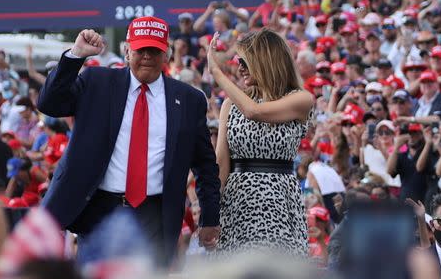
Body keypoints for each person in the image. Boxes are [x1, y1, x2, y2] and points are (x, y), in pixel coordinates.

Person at [37, 17, 221, 265]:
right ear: (127, 51)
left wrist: (210, 218)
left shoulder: (189, 100)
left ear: (165, 53)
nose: (147, 56)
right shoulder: (96, 82)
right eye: (141, 49)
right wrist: (75, 55)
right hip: (99, 211)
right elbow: (50, 103)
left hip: (155, 213)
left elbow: (205, 165)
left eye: (154, 50)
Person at [210, 28, 314, 256]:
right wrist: (210, 215)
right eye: (239, 62)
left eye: (245, 62)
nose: (240, 68)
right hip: (236, 203)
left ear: (265, 61)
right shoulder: (230, 105)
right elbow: (221, 163)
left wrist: (218, 75)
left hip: (279, 201)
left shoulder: (300, 99)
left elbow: (254, 111)